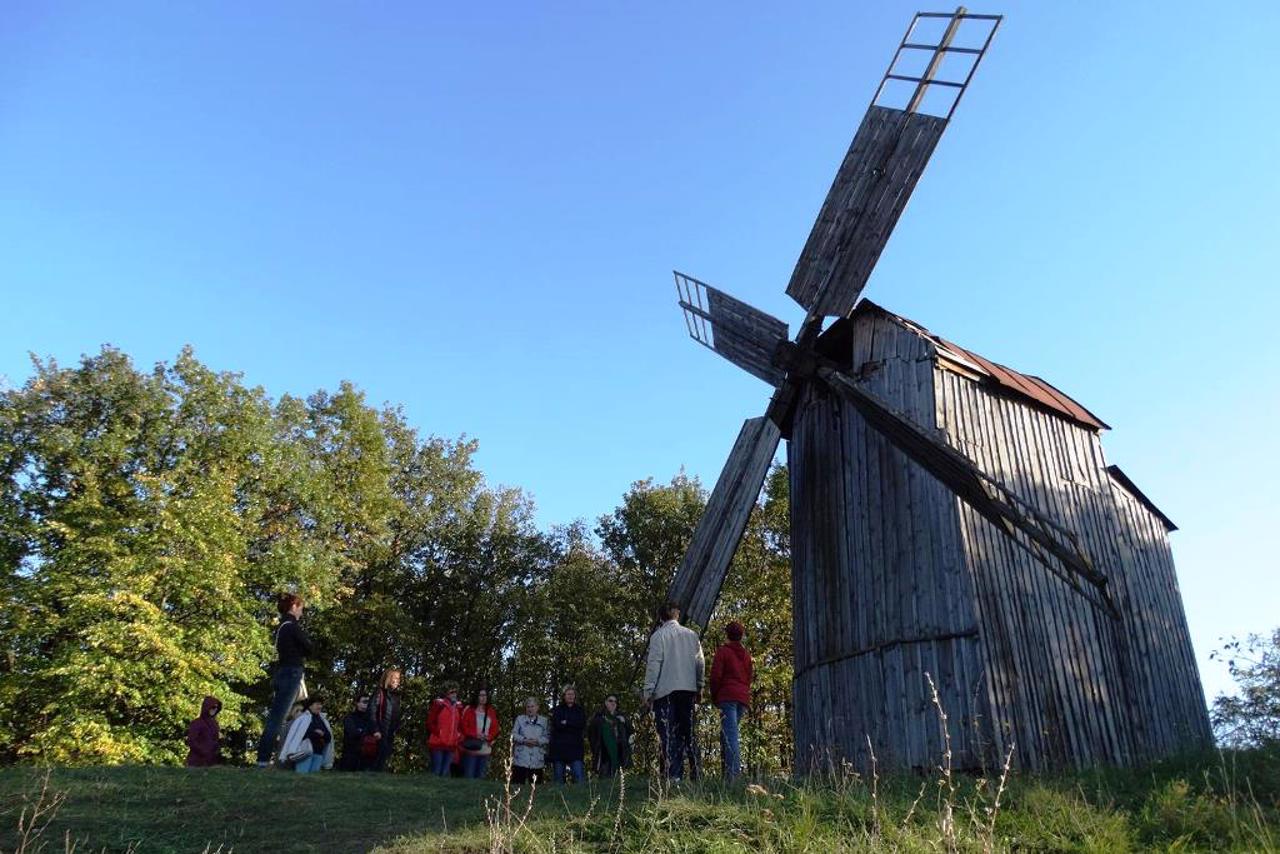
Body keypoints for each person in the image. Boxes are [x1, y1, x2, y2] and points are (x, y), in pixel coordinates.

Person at [643, 600, 705, 781]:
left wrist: (648, 693)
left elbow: (654, 665)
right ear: (677, 614)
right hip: (687, 689)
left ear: (660, 617)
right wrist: (699, 686)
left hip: (666, 691)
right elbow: (700, 662)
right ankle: (696, 772)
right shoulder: (692, 635)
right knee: (688, 731)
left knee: (669, 733)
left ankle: (675, 776)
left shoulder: (658, 636)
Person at [255, 592, 314, 767]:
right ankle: (265, 760)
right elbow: (309, 647)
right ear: (294, 607)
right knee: (279, 719)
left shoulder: (281, 627)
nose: (301, 613)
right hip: (291, 673)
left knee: (282, 717)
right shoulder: (292, 626)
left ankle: (272, 758)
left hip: (282, 672)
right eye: (301, 609)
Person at [710, 620, 753, 780]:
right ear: (741, 636)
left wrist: (715, 695)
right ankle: (728, 773)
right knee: (729, 735)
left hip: (727, 697)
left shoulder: (723, 652)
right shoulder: (747, 655)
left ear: (727, 635)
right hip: (742, 698)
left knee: (730, 736)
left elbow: (715, 676)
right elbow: (749, 677)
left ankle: (733, 777)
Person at [280, 696, 334, 774]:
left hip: (319, 754)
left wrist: (321, 734)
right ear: (310, 705)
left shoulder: (323, 721)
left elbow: (328, 737)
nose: (320, 706)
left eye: (321, 704)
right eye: (317, 704)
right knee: (302, 776)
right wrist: (317, 733)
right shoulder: (302, 719)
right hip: (305, 753)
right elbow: (300, 735)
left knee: (313, 779)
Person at [548, 684, 587, 784]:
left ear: (575, 696)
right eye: (568, 694)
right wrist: (572, 723)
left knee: (579, 777)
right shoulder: (557, 710)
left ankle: (581, 798)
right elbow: (557, 725)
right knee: (558, 779)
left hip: (576, 748)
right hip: (559, 749)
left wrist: (566, 722)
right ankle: (557, 799)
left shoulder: (579, 710)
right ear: (564, 696)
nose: (570, 696)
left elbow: (581, 724)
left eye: (572, 694)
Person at [587, 694, 633, 779]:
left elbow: (631, 731)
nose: (613, 703)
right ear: (605, 702)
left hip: (619, 752)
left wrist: (625, 722)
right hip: (604, 754)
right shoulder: (598, 718)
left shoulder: (621, 717)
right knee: (604, 780)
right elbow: (591, 735)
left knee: (619, 782)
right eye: (610, 701)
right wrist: (595, 748)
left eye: (615, 701)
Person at [459, 687, 500, 779]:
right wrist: (476, 735)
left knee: (481, 777)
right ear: (476, 697)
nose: (483, 697)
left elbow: (496, 728)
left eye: (485, 695)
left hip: (485, 749)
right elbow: (463, 727)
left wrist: (489, 737)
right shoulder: (469, 709)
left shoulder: (490, 711)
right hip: (471, 748)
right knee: (469, 776)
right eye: (481, 695)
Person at [370, 668, 404, 772]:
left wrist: (397, 727)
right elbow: (372, 712)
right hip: (380, 731)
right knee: (376, 758)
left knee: (384, 756)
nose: (397, 681)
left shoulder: (396, 696)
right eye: (395, 678)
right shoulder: (380, 693)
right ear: (388, 679)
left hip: (390, 732)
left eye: (399, 679)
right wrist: (375, 729)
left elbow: (396, 714)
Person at [426, 683, 463, 777]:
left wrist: (457, 735)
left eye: (455, 692)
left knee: (445, 771)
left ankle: (441, 791)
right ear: (446, 693)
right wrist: (439, 732)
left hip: (451, 744)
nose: (454, 694)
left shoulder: (458, 708)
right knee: (437, 770)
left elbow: (460, 725)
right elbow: (430, 722)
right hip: (438, 743)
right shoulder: (439, 705)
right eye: (451, 692)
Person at [510, 697, 549, 785]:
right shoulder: (519, 719)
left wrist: (537, 741)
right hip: (521, 758)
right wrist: (524, 740)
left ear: (537, 707)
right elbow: (513, 735)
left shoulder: (544, 721)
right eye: (528, 707)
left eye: (532, 706)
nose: (530, 709)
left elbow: (547, 737)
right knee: (517, 786)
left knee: (536, 788)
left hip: (537, 759)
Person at [339, 694, 377, 772]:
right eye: (364, 702)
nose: (366, 704)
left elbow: (376, 734)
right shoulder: (350, 718)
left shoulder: (371, 720)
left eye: (368, 702)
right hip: (351, 756)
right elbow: (353, 733)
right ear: (357, 703)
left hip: (367, 757)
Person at [185, 696, 222, 767]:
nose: (214, 710)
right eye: (213, 707)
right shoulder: (197, 723)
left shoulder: (215, 724)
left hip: (211, 761)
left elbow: (215, 740)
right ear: (207, 707)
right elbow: (191, 740)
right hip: (196, 760)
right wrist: (203, 751)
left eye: (217, 708)